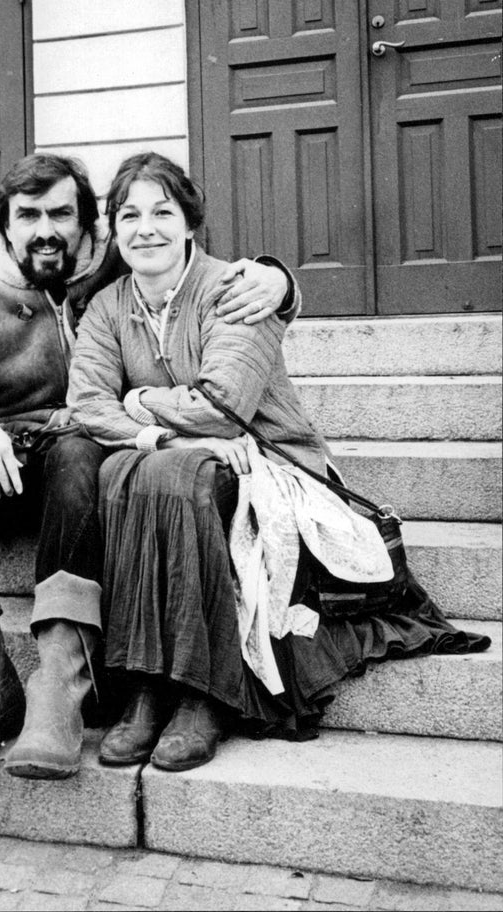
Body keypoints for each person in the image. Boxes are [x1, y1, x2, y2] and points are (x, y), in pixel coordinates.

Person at [67, 152, 490, 772]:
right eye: (129, 215)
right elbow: (84, 405)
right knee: (134, 470)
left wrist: (136, 400)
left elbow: (222, 403)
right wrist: (162, 437)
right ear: (115, 229)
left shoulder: (238, 289)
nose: (145, 228)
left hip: (270, 458)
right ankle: (146, 689)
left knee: (175, 477)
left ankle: (201, 693)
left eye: (163, 211)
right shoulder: (109, 306)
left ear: (190, 222)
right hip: (184, 460)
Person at [0, 152, 299, 780]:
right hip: (11, 463)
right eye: (27, 215)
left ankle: (59, 682)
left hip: (92, 464)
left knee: (81, 452)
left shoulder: (117, 275)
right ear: (5, 224)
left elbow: (186, 251)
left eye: (62, 213)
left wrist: (279, 279)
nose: (45, 230)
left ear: (89, 226)